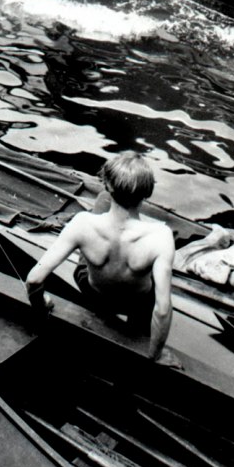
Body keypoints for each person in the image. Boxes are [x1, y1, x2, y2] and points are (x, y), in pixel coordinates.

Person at [25, 152, 176, 362]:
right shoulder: (161, 236)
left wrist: (43, 304)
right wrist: (155, 356)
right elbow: (162, 310)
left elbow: (34, 279)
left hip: (95, 292)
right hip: (135, 303)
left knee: (95, 223)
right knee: (152, 288)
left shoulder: (82, 223)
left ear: (107, 184)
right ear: (146, 193)